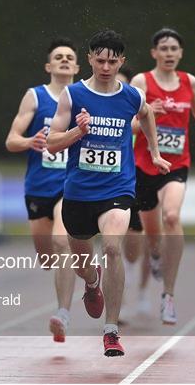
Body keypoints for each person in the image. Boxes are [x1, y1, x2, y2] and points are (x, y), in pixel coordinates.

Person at [47, 30, 170, 357]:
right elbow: (51, 141)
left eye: (112, 61)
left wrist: (155, 153)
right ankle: (92, 282)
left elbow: (147, 116)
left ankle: (111, 330)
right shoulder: (73, 96)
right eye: (100, 60)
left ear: (122, 61)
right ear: (89, 58)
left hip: (118, 188)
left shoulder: (132, 96)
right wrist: (78, 131)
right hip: (79, 192)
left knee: (113, 246)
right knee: (83, 264)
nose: (105, 66)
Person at [131, 28, 195, 325]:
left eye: (173, 49)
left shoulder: (188, 82)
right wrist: (146, 114)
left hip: (176, 164)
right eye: (163, 48)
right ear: (154, 53)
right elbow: (126, 125)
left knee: (171, 217)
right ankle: (154, 253)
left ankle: (168, 295)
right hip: (144, 166)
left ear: (180, 53)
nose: (168, 53)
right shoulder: (142, 81)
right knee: (152, 235)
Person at [5, 38, 79, 342]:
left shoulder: (83, 97)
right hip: (38, 187)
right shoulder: (34, 97)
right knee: (47, 257)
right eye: (58, 57)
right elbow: (11, 140)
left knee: (63, 242)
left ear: (76, 67)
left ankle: (62, 313)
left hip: (70, 186)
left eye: (69, 57)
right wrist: (30, 142)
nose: (63, 60)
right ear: (49, 66)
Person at [116, 66, 152, 318]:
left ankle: (139, 290)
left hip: (134, 177)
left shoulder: (135, 108)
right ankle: (119, 301)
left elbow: (140, 125)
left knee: (137, 243)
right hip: (105, 179)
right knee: (111, 242)